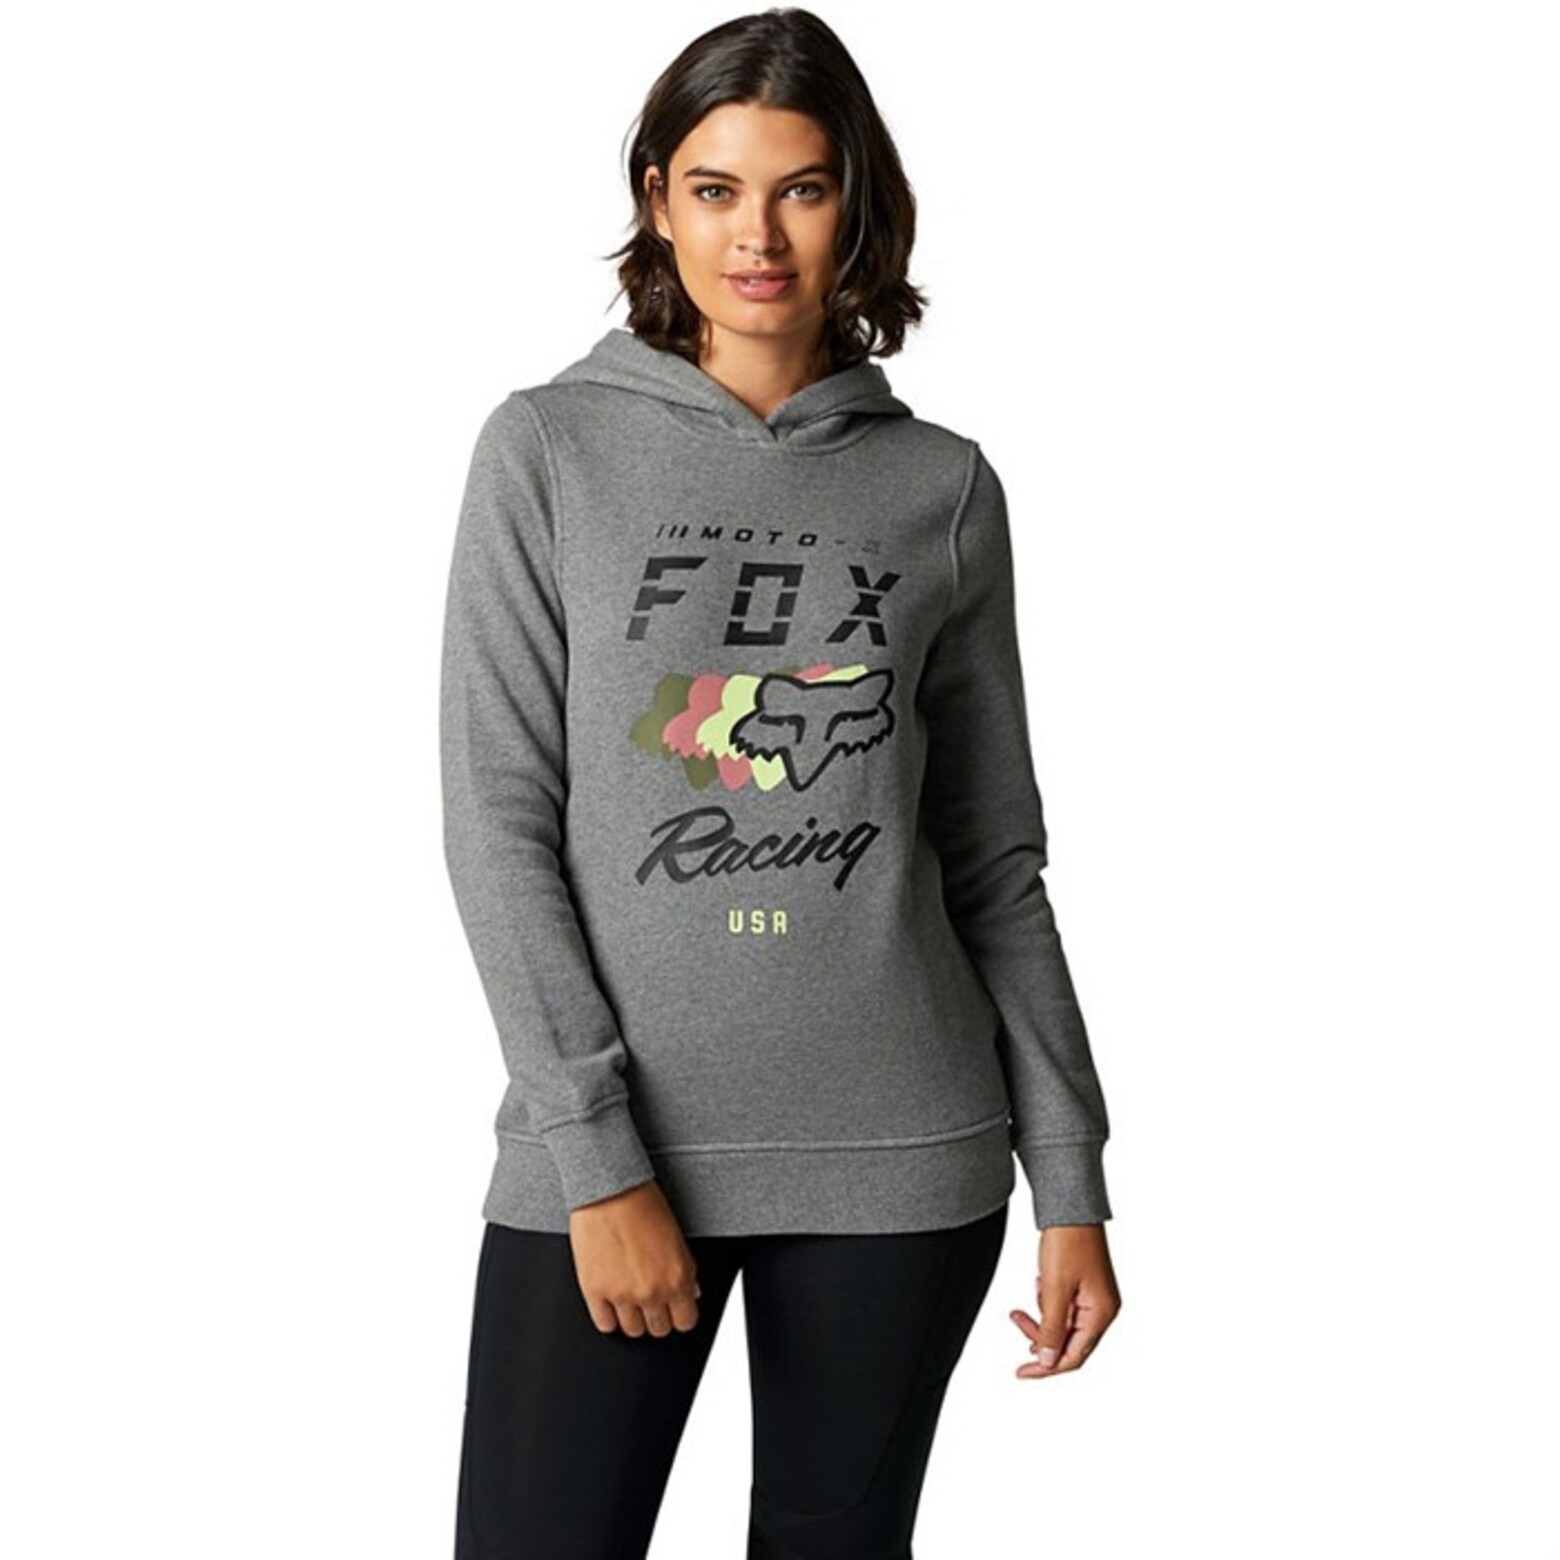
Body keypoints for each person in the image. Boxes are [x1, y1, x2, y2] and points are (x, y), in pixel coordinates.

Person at [440, 9, 1122, 1557]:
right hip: (615, 1161)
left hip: (904, 1158)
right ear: (657, 200)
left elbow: (993, 861)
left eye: (801, 189)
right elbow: (498, 823)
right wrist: (597, 1163)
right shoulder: (548, 452)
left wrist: (1071, 1175)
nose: (757, 236)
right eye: (716, 189)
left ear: (855, 204)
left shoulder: (940, 487)